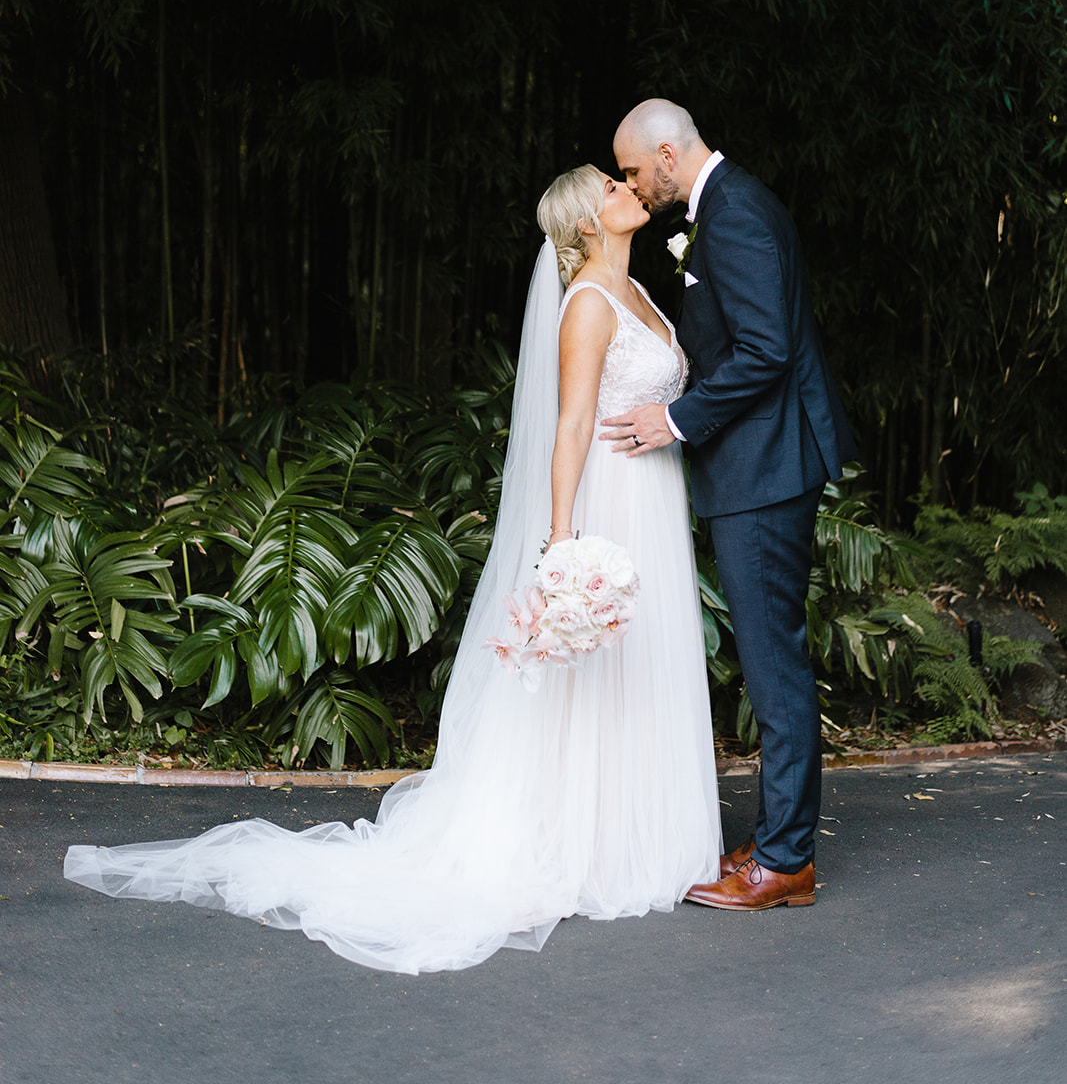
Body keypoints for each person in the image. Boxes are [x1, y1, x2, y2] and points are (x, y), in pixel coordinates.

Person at [64, 165, 721, 973]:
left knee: (638, 667)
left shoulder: (641, 296)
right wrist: (562, 543)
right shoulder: (586, 305)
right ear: (589, 223)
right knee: (589, 675)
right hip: (608, 502)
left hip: (652, 503)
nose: (628, 190)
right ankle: (581, 844)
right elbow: (572, 422)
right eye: (610, 187)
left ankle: (629, 832)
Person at [605, 100, 856, 911]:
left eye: (638, 172)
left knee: (773, 666)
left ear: (669, 154)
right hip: (761, 463)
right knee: (768, 660)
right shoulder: (729, 203)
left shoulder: (735, 213)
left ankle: (784, 863)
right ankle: (777, 837)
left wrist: (675, 419)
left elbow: (766, 352)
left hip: (765, 467)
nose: (636, 189)